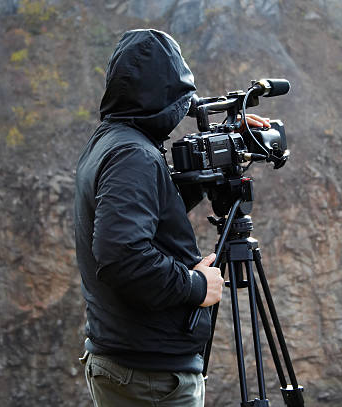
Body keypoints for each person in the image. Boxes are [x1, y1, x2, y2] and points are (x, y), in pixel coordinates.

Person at [74, 29, 269, 406]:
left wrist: (224, 147)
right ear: (162, 95)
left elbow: (147, 207)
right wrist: (197, 286)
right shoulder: (133, 157)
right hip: (149, 377)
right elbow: (123, 258)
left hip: (130, 361)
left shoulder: (110, 142)